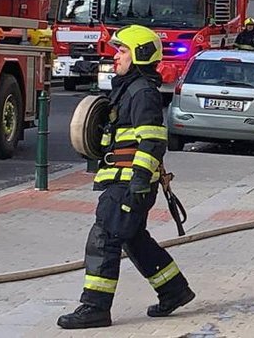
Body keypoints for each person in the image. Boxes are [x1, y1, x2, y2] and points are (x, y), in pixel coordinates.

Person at [58, 25, 194, 330]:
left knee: (104, 239)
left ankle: (94, 307)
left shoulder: (141, 92)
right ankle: (174, 290)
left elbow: (153, 141)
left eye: (122, 50)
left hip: (129, 183)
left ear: (140, 55)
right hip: (125, 180)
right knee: (133, 239)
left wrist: (137, 182)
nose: (115, 55)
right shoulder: (130, 88)